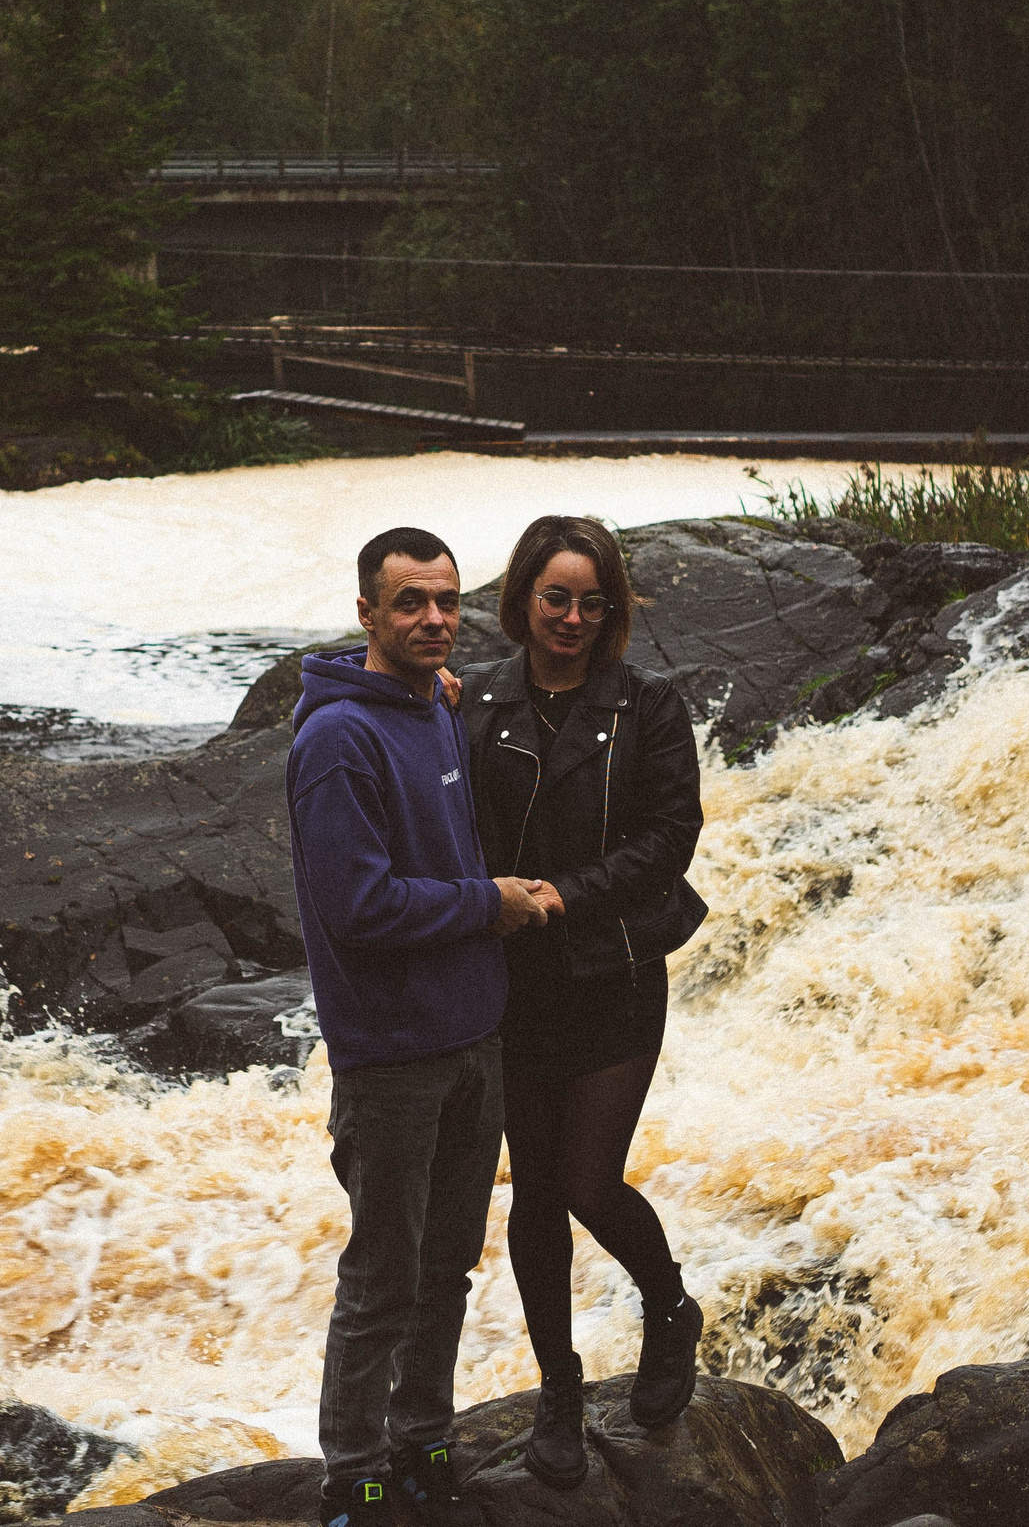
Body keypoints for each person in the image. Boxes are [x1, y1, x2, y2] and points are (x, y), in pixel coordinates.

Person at [289, 526, 555, 1527]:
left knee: (445, 1264)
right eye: (409, 603)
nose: (433, 620)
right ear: (366, 614)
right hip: (391, 1053)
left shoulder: (429, 705)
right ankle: (352, 1469)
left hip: (469, 1038)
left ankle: (423, 1436)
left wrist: (436, 694)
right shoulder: (336, 742)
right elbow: (359, 908)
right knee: (382, 1275)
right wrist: (489, 905)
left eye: (446, 600)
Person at [457, 514, 708, 1488]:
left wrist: (566, 894)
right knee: (532, 1199)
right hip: (512, 983)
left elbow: (669, 835)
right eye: (553, 597)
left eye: (588, 601)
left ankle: (669, 1307)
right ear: (522, 597)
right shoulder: (474, 702)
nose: (569, 616)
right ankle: (558, 1390)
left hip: (612, 970)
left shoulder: (647, 708)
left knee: (586, 1184)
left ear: (609, 612)